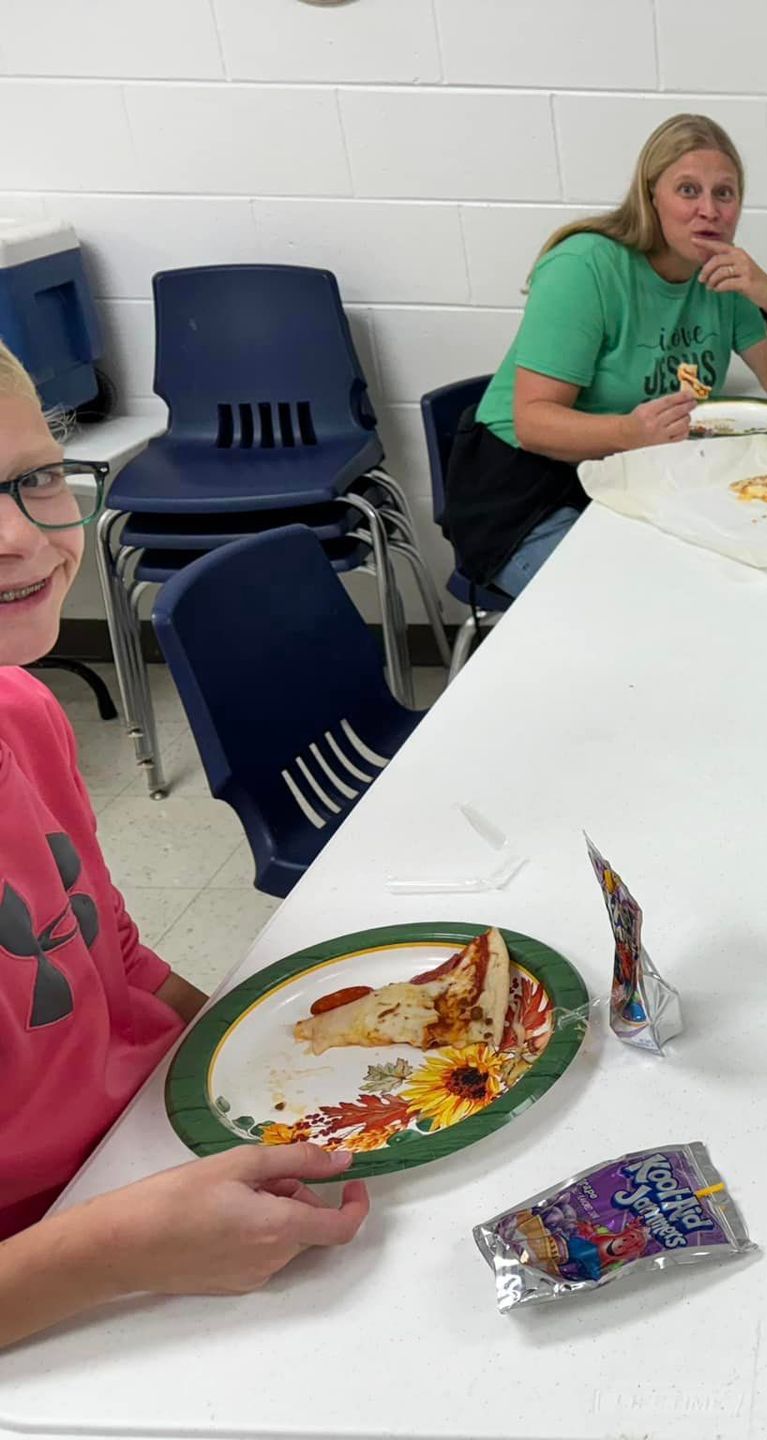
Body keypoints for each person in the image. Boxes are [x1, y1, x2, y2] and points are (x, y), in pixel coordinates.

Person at [0, 342, 368, 1349]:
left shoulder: (22, 709)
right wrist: (122, 1252)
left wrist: (266, 1064)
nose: (20, 537)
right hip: (59, 1278)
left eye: (34, 479)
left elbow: (115, 963)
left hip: (147, 1161)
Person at [443, 112, 767, 595]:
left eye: (724, 193)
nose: (709, 210)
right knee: (642, 600)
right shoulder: (585, 267)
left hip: (636, 481)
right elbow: (531, 422)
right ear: (650, 196)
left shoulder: (724, 276)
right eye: (688, 190)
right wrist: (630, 432)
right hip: (524, 492)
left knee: (752, 570)